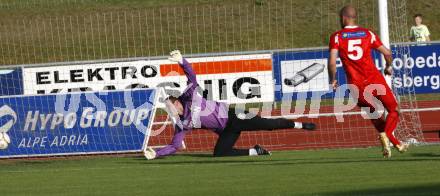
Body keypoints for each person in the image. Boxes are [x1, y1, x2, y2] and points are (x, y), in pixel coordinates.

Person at [143, 50, 316, 159]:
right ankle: (256, 151)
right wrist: (156, 153)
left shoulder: (188, 96)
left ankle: (300, 124)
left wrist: (182, 61)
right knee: (219, 154)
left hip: (234, 115)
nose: (169, 111)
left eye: (169, 106)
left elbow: (192, 78)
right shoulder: (183, 124)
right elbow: (174, 146)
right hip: (227, 129)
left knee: (268, 125)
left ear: (176, 102)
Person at [327, 5, 409, 158]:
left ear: (344, 18)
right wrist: (388, 66)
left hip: (356, 85)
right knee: (394, 109)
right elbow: (387, 52)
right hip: (374, 79)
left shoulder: (337, 36)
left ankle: (387, 138)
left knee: (372, 112)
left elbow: (332, 62)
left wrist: (333, 80)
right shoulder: (367, 33)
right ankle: (390, 137)